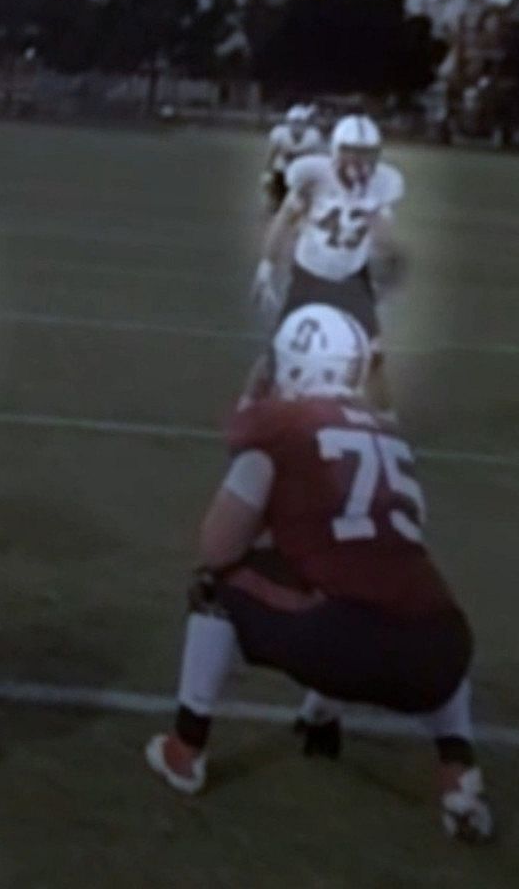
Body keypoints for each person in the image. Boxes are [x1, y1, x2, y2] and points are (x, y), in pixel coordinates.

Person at [146, 304, 494, 844]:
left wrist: (252, 419)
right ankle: (455, 767)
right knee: (408, 599)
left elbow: (218, 547)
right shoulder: (389, 434)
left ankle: (185, 750)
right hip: (445, 647)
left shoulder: (279, 432)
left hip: (346, 640)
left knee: (216, 585)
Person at [251, 115, 407, 410]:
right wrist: (266, 266)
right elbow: (284, 221)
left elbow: (384, 240)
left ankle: (386, 421)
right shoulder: (313, 176)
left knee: (373, 356)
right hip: (309, 275)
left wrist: (382, 235)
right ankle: (250, 405)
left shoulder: (382, 184)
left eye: (366, 152)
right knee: (278, 352)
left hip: (351, 278)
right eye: (352, 151)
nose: (359, 160)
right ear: (336, 150)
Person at [263, 105, 325, 211]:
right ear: (288, 122)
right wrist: (267, 171)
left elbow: (316, 159)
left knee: (303, 205)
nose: (297, 126)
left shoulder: (313, 136)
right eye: (294, 122)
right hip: (282, 171)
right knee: (275, 202)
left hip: (303, 173)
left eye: (300, 122)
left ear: (305, 123)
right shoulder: (280, 134)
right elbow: (272, 153)